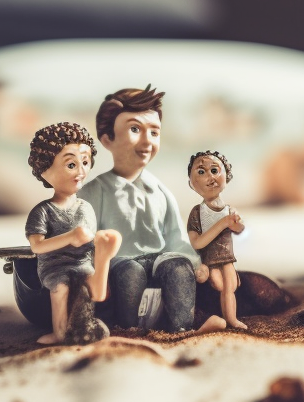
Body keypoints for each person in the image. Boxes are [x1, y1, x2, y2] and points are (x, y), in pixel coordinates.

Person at [78, 86, 225, 334]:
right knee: (130, 273)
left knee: (178, 267)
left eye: (154, 132)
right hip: (118, 264)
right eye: (135, 129)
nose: (147, 141)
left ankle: (182, 328)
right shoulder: (94, 192)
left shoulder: (160, 191)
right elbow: (82, 238)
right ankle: (127, 328)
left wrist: (194, 262)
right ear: (107, 139)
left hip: (157, 259)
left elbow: (175, 236)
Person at [24, 122, 122, 345]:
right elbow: (37, 246)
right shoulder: (42, 211)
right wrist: (70, 237)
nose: (81, 171)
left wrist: (99, 243)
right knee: (61, 288)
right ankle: (59, 332)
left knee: (98, 289)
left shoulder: (85, 208)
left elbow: (88, 241)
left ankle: (104, 259)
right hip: (55, 266)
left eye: (85, 162)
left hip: (81, 262)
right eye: (71, 164)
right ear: (45, 170)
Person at [186, 150, 248, 329]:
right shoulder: (197, 213)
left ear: (226, 177)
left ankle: (232, 319)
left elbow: (240, 229)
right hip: (210, 261)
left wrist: (236, 224)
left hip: (227, 258)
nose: (210, 177)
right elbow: (197, 243)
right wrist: (222, 224)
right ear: (191, 183)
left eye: (214, 170)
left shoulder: (229, 210)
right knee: (219, 285)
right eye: (201, 172)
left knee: (230, 287)